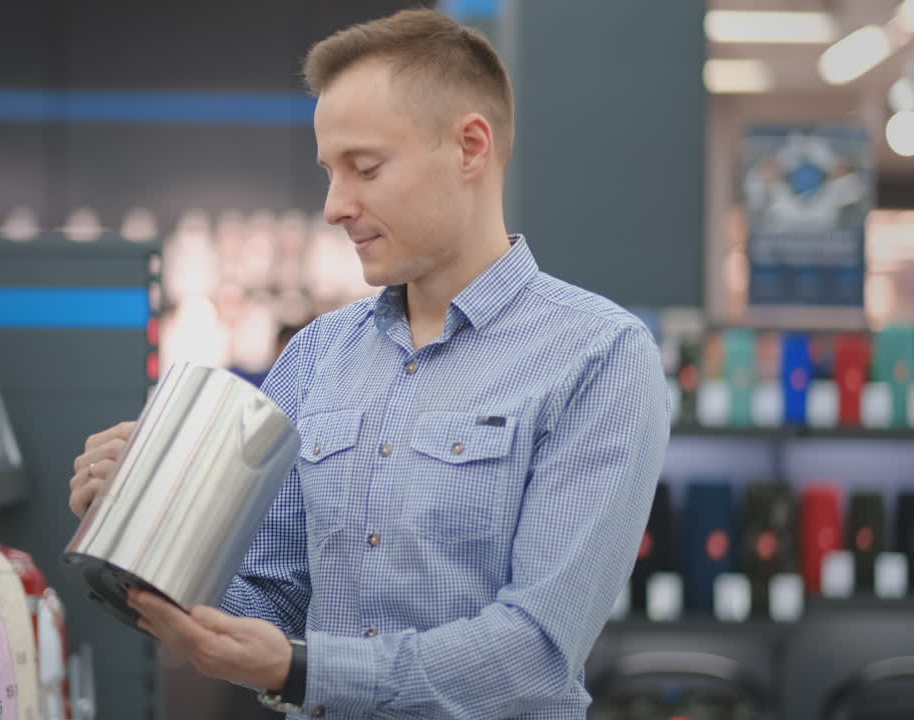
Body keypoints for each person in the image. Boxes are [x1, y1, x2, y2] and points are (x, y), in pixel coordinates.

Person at [69, 9, 669, 719]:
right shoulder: (319, 354)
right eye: (329, 171)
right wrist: (150, 530)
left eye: (365, 168)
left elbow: (536, 651)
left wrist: (303, 671)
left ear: (470, 148)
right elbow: (275, 599)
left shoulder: (597, 357)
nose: (333, 206)